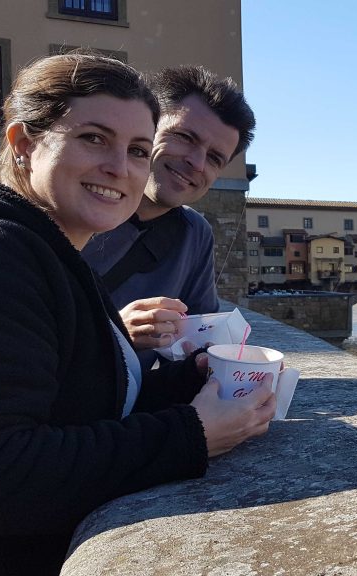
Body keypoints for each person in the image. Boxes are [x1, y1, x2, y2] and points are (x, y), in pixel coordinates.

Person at [0, 53, 274, 575]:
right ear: (25, 144)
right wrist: (192, 434)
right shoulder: (5, 252)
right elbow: (2, 471)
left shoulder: (57, 244)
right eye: (93, 138)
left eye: (136, 150)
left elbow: (82, 399)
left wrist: (193, 378)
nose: (120, 167)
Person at [81, 66, 255, 364]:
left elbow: (198, 337)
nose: (197, 163)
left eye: (214, 158)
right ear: (145, 128)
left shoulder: (194, 233)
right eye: (185, 137)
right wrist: (116, 333)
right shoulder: (76, 207)